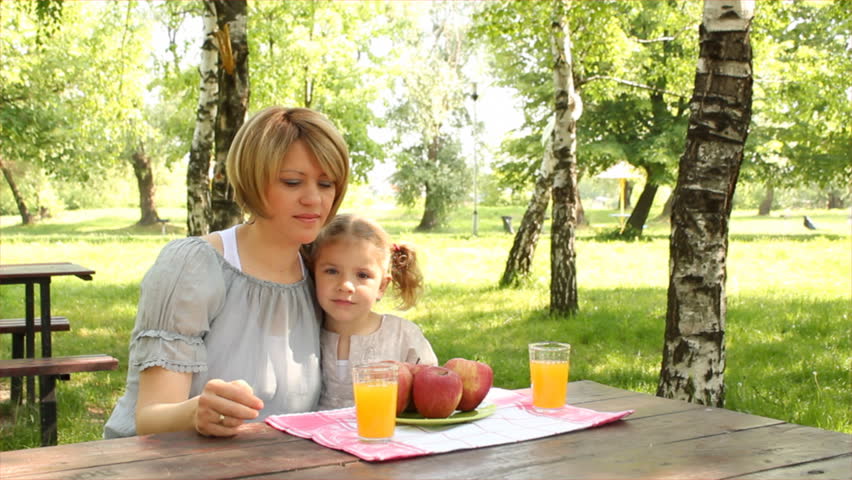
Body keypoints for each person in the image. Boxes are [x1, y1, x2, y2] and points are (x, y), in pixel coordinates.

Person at [104, 106, 350, 438]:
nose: (313, 199)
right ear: (252, 179)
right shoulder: (193, 266)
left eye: (326, 183)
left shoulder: (321, 270)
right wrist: (196, 412)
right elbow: (149, 418)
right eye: (292, 182)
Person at [310, 213, 438, 410]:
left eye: (362, 275)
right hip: (309, 439)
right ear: (313, 273)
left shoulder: (403, 336)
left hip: (385, 436)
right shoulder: (303, 331)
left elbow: (433, 393)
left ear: (382, 286)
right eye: (332, 271)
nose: (345, 285)